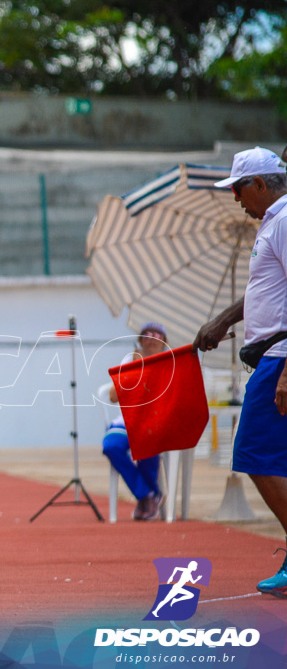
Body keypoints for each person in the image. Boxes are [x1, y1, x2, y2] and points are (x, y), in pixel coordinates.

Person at [194, 146, 287, 597]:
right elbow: (266, 290)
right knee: (272, 458)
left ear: (260, 185)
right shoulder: (273, 223)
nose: (235, 199)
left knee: (251, 451)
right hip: (271, 356)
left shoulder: (285, 222)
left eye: (237, 189)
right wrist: (223, 322)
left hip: (280, 359)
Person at [103, 322, 169, 521]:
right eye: (147, 334)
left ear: (165, 342)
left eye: (157, 334)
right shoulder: (130, 362)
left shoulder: (171, 364)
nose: (152, 338)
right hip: (127, 421)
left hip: (155, 422)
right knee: (110, 445)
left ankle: (147, 496)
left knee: (148, 439)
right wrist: (133, 370)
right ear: (140, 340)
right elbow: (113, 396)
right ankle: (148, 494)